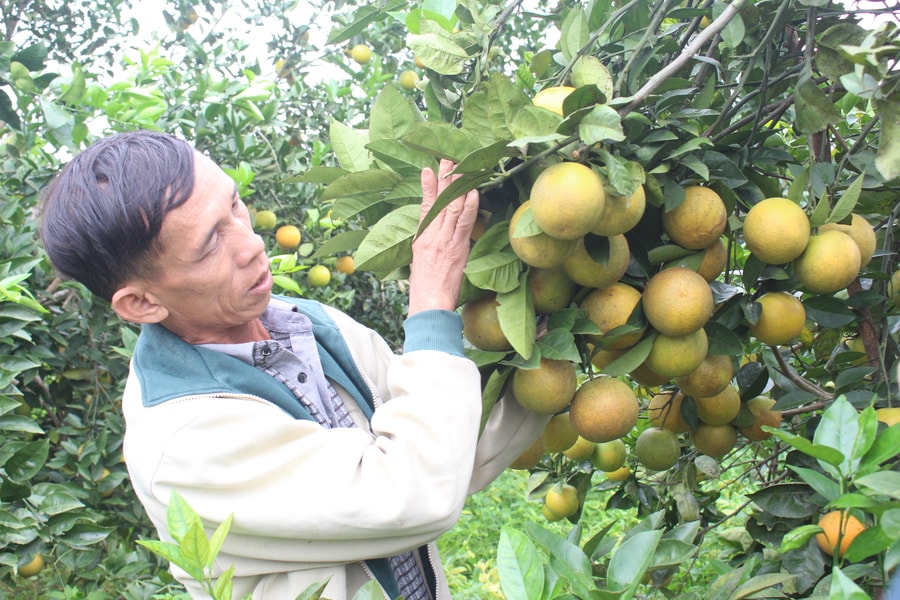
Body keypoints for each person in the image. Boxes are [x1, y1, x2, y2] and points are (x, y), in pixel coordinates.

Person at [40, 130, 549, 599]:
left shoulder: (307, 324)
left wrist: (549, 321)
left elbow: (443, 447)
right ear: (141, 304)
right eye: (209, 244)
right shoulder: (184, 441)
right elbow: (412, 494)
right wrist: (432, 304)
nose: (252, 242)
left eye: (234, 205)